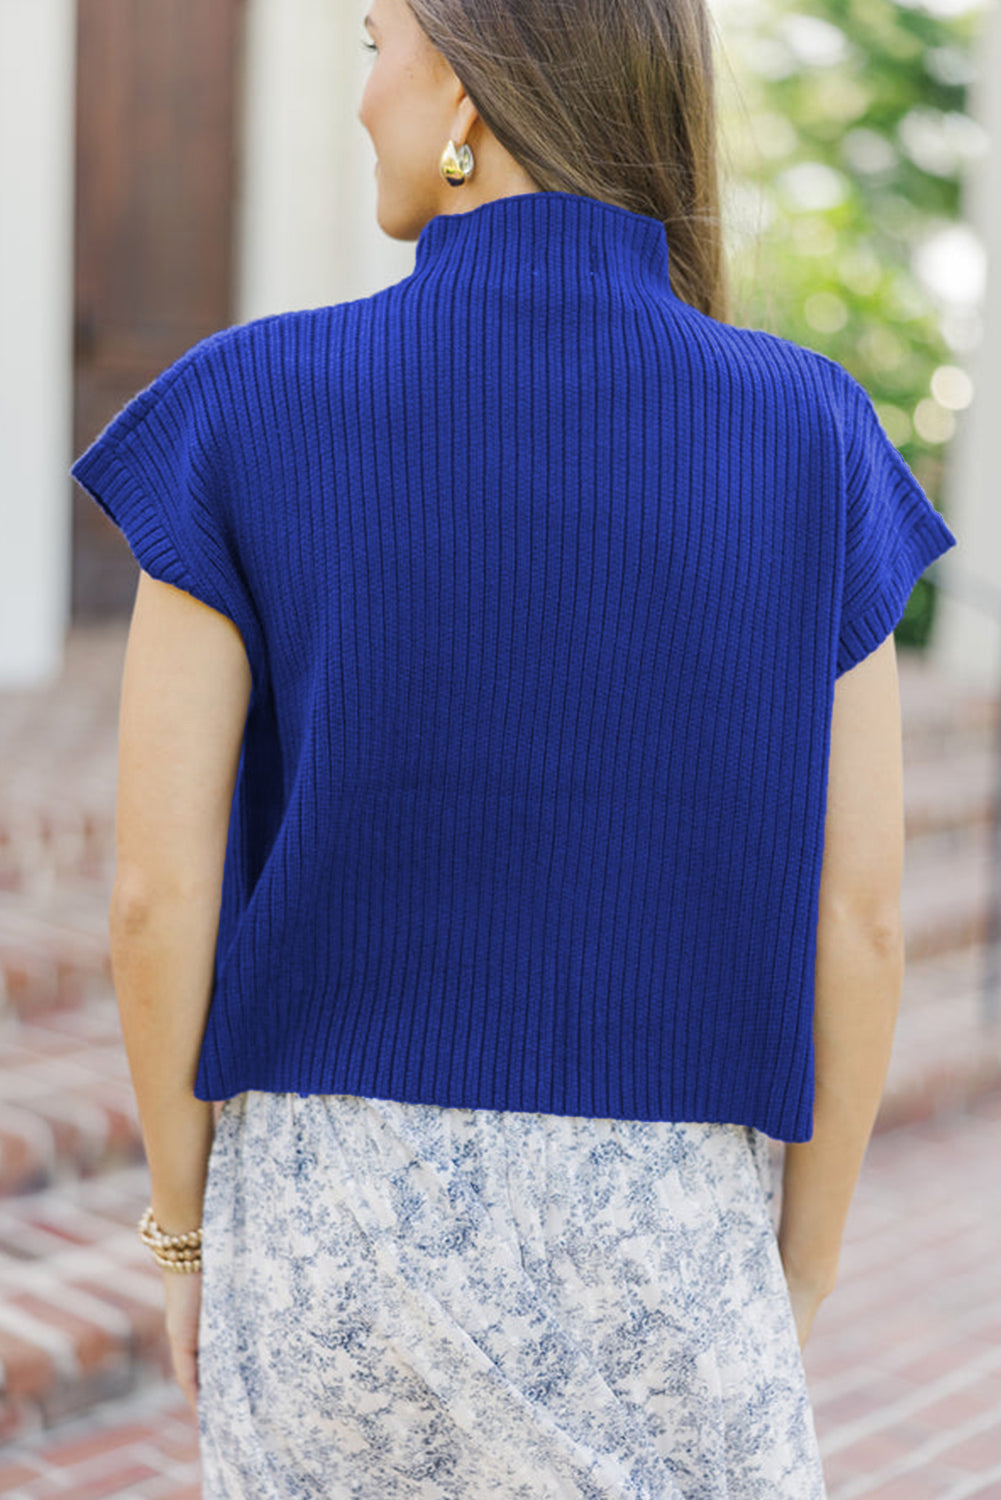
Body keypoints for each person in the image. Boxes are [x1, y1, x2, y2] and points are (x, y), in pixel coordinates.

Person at [70, 0, 957, 1494]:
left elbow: (155, 897)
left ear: (466, 91)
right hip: (669, 1240)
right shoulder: (812, 435)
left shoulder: (241, 411)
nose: (363, 101)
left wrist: (183, 1231)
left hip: (333, 1229)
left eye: (375, 48)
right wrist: (791, 1273)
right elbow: (859, 922)